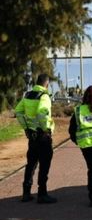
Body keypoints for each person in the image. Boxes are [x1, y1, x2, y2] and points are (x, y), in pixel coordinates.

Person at [15, 73, 57, 203]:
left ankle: (26, 193)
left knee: (31, 164)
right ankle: (42, 194)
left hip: (32, 137)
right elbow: (41, 113)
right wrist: (45, 128)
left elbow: (18, 112)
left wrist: (26, 128)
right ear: (46, 83)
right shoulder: (44, 96)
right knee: (44, 165)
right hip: (43, 137)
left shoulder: (28, 95)